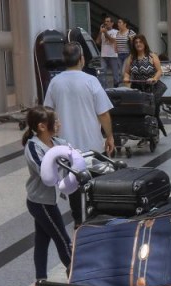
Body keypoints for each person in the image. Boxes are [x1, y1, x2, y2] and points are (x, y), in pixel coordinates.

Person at [43, 42, 115, 226]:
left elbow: (47, 113)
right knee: (96, 185)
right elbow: (104, 113)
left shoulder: (55, 82)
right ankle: (96, 221)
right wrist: (110, 136)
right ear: (82, 59)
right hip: (92, 147)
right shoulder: (91, 81)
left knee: (74, 187)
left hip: (65, 149)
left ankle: (78, 222)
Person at [22, 106, 73, 286]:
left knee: (42, 240)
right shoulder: (33, 146)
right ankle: (76, 278)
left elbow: (72, 155)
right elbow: (44, 172)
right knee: (62, 239)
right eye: (56, 121)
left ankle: (41, 283)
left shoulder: (57, 142)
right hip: (39, 202)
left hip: (48, 200)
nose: (59, 124)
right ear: (42, 126)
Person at [122, 34, 164, 100]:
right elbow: (127, 72)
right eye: (136, 42)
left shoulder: (152, 56)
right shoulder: (131, 57)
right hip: (136, 88)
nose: (138, 44)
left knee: (152, 108)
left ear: (144, 43)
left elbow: (159, 71)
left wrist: (154, 79)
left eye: (140, 42)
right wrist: (126, 77)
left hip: (151, 88)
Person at [96, 16, 120, 88]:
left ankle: (116, 88)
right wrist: (100, 33)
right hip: (104, 55)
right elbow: (97, 42)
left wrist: (105, 33)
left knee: (115, 74)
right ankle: (105, 88)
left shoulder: (116, 32)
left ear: (112, 23)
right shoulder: (103, 31)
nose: (106, 23)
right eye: (105, 21)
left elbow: (113, 41)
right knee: (102, 73)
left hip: (113, 55)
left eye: (108, 21)